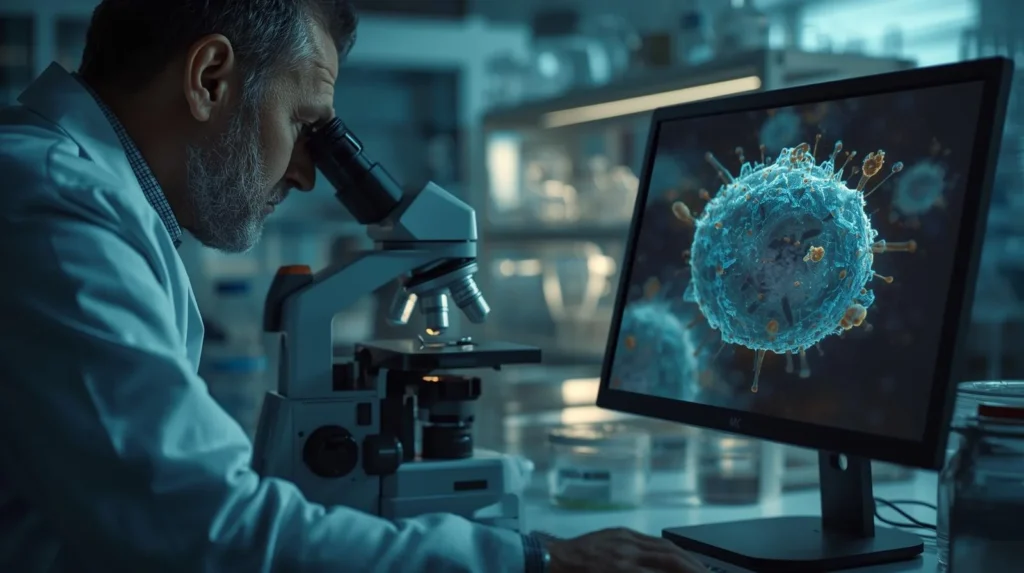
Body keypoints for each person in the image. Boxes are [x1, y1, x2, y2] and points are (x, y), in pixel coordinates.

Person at [0, 1, 708, 572]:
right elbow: (197, 524)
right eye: (304, 123)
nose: (309, 172)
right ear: (210, 78)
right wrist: (532, 558)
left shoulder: (84, 193)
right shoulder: (52, 207)